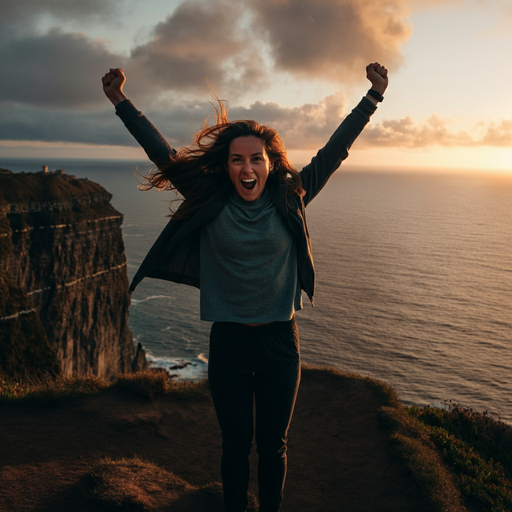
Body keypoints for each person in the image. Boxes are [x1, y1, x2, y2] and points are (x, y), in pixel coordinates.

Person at [102, 63, 388, 512]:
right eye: (238, 159)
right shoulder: (210, 197)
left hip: (280, 341)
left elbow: (334, 151)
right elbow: (162, 153)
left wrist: (372, 97)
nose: (247, 166)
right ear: (227, 165)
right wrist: (121, 101)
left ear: (270, 163)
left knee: (273, 445)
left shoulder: (291, 195)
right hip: (230, 341)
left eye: (256, 158)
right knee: (235, 446)